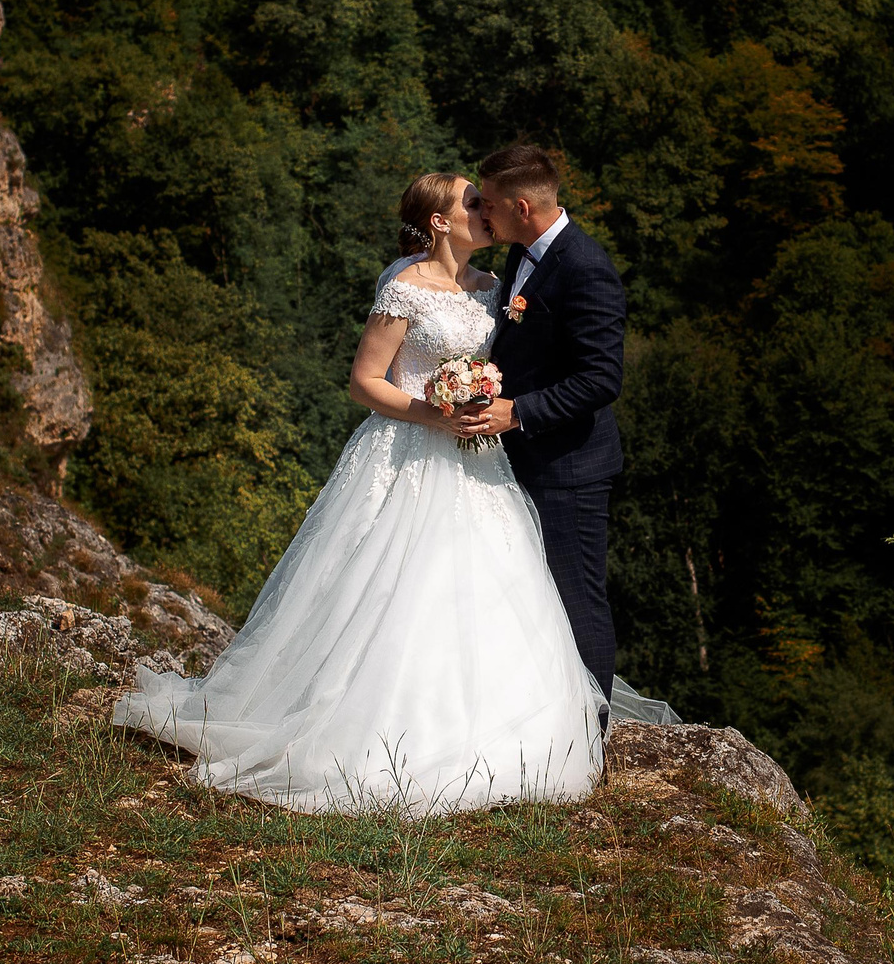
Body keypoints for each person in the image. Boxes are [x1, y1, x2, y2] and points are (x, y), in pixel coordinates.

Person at [112, 172, 604, 812]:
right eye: (472, 204)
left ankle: (498, 726)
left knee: (486, 584)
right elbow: (364, 381)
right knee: (395, 585)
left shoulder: (494, 287)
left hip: (479, 462)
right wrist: (436, 412)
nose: (486, 213)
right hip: (408, 452)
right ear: (438, 222)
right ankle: (364, 726)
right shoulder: (404, 288)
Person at [454, 144, 630, 724]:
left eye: (490, 206)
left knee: (578, 601)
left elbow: (602, 379)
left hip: (569, 467)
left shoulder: (585, 266)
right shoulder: (523, 254)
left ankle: (589, 738)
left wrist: (518, 412)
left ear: (522, 207)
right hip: (521, 460)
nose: (482, 215)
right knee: (528, 599)